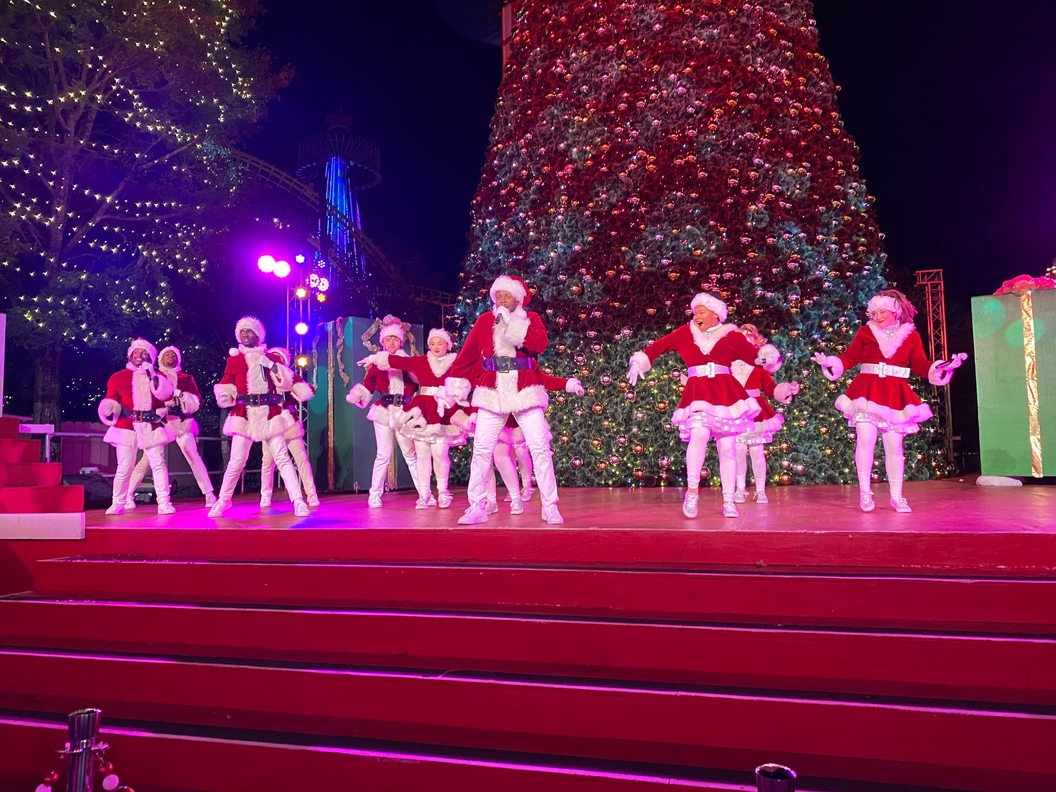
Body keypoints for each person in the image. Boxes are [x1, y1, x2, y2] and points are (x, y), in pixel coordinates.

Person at [813, 289, 966, 512]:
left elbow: (920, 364)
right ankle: (865, 493)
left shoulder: (910, 335)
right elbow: (849, 358)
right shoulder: (866, 332)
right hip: (867, 390)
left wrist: (941, 367)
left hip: (895, 394)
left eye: (882, 312)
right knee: (865, 439)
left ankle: (897, 496)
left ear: (895, 311)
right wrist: (831, 363)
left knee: (894, 446)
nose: (877, 317)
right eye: (873, 313)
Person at [439, 275, 564, 525]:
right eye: (498, 295)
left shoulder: (531, 319)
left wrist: (512, 324)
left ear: (518, 298)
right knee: (482, 450)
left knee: (540, 448)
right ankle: (477, 505)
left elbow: (540, 344)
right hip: (492, 389)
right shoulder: (485, 320)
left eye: (507, 295)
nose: (502, 299)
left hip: (524, 388)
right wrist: (457, 381)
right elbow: (467, 353)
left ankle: (550, 505)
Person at [627, 292, 761, 518]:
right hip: (698, 392)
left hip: (725, 393)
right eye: (695, 311)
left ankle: (729, 500)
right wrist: (640, 362)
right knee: (698, 433)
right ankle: (692, 493)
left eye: (701, 311)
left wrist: (768, 358)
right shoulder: (685, 333)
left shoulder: (732, 336)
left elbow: (755, 357)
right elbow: (659, 346)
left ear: (715, 314)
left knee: (727, 447)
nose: (696, 315)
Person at [210, 315, 310, 518]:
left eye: (249, 331)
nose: (245, 334)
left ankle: (298, 501)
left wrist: (271, 365)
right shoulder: (235, 360)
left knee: (282, 458)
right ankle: (223, 501)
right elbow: (227, 382)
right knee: (236, 461)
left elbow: (286, 382)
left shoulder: (271, 358)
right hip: (244, 414)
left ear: (258, 335)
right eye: (242, 331)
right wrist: (224, 394)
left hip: (269, 414)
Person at [361, 327, 465, 510]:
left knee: (422, 454)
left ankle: (434, 493)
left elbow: (463, 378)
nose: (436, 346)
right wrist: (371, 360)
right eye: (432, 343)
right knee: (386, 454)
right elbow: (381, 370)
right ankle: (379, 494)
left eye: (440, 343)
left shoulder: (421, 362)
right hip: (390, 411)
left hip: (418, 410)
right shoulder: (419, 361)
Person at [345, 316, 424, 508]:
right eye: (387, 339)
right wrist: (359, 394)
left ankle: (425, 493)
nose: (391, 343)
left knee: (410, 454)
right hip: (383, 411)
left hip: (404, 411)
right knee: (383, 454)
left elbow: (417, 381)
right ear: (382, 342)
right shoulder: (377, 364)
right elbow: (368, 385)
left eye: (395, 339)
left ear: (401, 341)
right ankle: (374, 494)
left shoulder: (408, 362)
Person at [124, 345, 217, 509]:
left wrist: (181, 397)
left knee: (193, 456)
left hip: (181, 422)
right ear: (160, 359)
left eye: (174, 355)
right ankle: (127, 495)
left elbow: (198, 402)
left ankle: (209, 494)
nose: (170, 357)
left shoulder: (186, 378)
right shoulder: (154, 375)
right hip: (160, 422)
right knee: (146, 462)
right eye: (166, 354)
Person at [485, 371, 585, 514]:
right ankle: (514, 498)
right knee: (500, 458)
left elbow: (543, 379)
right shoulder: (493, 364)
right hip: (502, 418)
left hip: (523, 414)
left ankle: (543, 500)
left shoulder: (523, 362)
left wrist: (568, 384)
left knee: (530, 452)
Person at [97, 338, 176, 515]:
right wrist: (109, 408)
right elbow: (111, 400)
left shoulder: (159, 376)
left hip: (151, 425)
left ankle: (163, 502)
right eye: (136, 352)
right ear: (130, 355)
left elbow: (165, 395)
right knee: (124, 466)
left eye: (144, 352)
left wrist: (153, 376)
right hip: (126, 426)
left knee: (158, 463)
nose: (139, 355)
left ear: (150, 357)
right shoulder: (118, 377)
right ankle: (118, 502)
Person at [730, 325, 799, 505]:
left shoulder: (759, 365)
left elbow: (769, 388)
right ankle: (739, 489)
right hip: (735, 408)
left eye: (749, 339)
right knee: (737, 450)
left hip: (755, 410)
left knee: (756, 450)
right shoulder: (728, 364)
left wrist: (785, 389)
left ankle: (760, 491)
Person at [260, 348, 319, 510]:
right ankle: (265, 495)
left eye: (279, 359)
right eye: (274, 358)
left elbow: (309, 390)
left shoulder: (291, 377)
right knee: (267, 461)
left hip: (289, 422)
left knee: (301, 459)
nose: (276, 361)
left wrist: (292, 394)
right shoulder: (264, 380)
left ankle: (311, 494)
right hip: (270, 422)